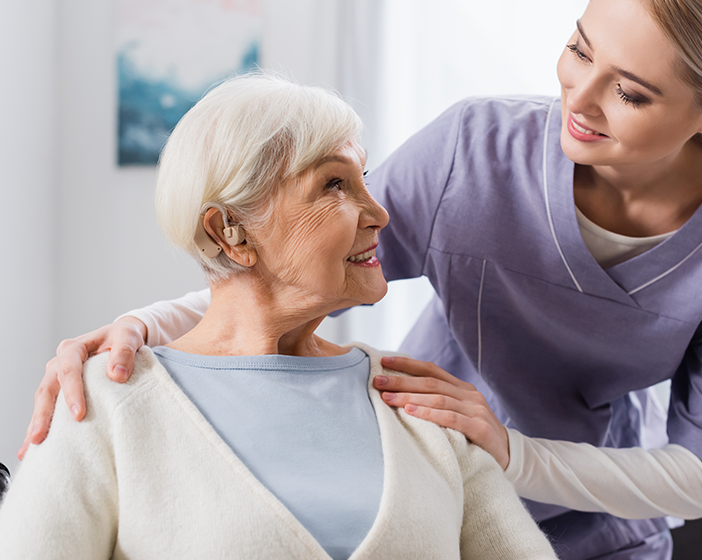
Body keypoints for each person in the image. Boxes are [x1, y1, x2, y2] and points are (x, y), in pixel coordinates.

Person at [20, 0, 702, 558]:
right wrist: (144, 327)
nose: (575, 99)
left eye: (631, 91)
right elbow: (293, 266)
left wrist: (508, 451)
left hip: (596, 533)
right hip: (428, 500)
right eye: (580, 47)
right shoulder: (474, 153)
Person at [0, 73, 557, 559]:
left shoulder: (420, 402)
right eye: (335, 184)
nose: (380, 212)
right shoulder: (103, 402)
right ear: (229, 232)